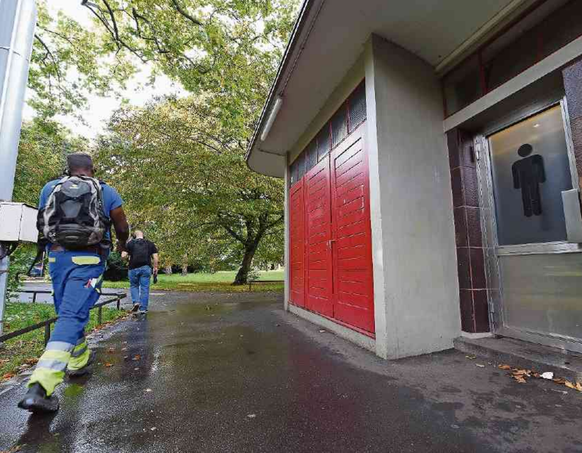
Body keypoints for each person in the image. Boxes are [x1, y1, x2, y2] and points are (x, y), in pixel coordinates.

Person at [18, 153, 129, 413]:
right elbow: (121, 224)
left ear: (66, 170)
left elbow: (43, 221)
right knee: (71, 315)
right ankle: (41, 387)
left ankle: (78, 363)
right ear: (92, 169)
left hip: (57, 258)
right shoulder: (104, 190)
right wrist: (122, 244)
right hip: (87, 260)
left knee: (66, 312)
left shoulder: (50, 188)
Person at [122, 230, 158, 314]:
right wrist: (155, 267)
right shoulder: (150, 243)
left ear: (134, 236)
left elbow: (123, 256)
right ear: (143, 235)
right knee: (144, 288)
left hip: (133, 268)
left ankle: (136, 302)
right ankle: (143, 309)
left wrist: (127, 257)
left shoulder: (130, 243)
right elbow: (155, 257)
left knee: (134, 286)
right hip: (146, 268)